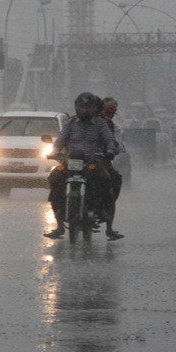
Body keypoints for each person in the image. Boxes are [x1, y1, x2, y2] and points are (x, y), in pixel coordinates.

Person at [43, 92, 123, 241]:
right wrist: (54, 152)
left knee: (109, 181)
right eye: (82, 107)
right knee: (55, 177)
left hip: (94, 162)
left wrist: (110, 151)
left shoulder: (101, 124)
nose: (85, 110)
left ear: (95, 109)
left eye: (88, 107)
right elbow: (59, 142)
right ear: (76, 108)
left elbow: (110, 140)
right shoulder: (70, 124)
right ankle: (59, 224)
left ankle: (109, 227)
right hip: (71, 161)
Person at [100, 97, 124, 202]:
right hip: (78, 160)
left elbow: (116, 146)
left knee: (114, 178)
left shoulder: (112, 126)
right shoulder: (74, 121)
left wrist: (111, 150)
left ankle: (108, 205)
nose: (110, 113)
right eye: (107, 110)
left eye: (112, 111)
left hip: (100, 160)